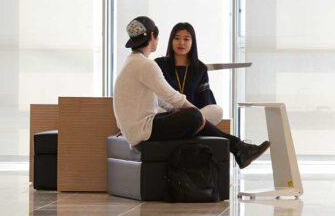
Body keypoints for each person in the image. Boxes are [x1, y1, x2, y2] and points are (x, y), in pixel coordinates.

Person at [113, 15, 269, 169]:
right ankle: (238, 147)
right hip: (143, 130)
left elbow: (161, 99)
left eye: (186, 39)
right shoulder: (146, 65)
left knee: (192, 115)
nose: (181, 42)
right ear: (153, 36)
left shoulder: (133, 61)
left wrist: (181, 112)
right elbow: (171, 96)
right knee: (193, 115)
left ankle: (238, 147)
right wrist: (193, 113)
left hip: (138, 128)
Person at [155, 22, 224, 126]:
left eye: (186, 39)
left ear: (192, 42)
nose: (181, 42)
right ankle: (187, 126)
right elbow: (154, 96)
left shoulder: (200, 68)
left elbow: (205, 101)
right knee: (156, 109)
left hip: (192, 115)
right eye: (177, 38)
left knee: (217, 110)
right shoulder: (159, 64)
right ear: (171, 41)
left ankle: (186, 125)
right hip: (166, 115)